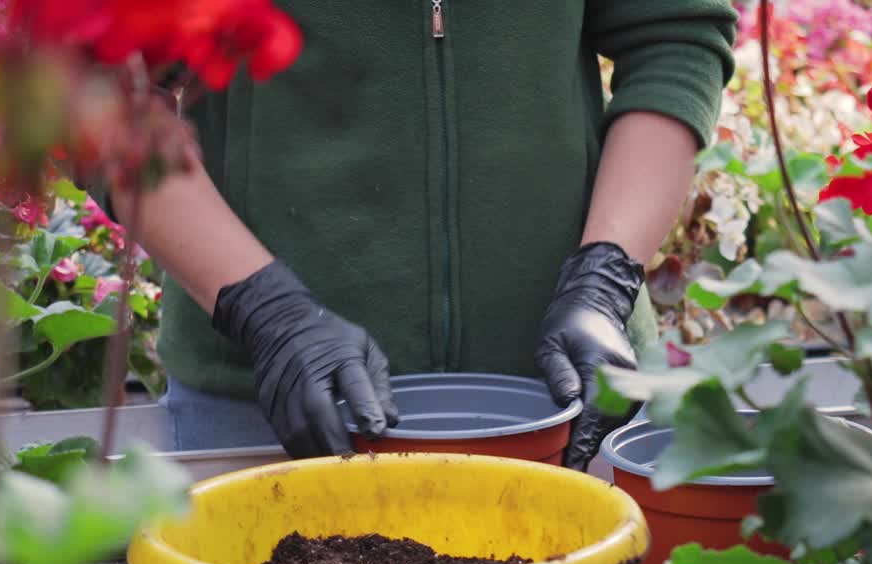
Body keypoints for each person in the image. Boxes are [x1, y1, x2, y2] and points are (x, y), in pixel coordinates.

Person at [119, 2, 737, 471]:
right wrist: (261, 307)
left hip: (565, 404)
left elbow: (674, 35)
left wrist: (605, 275)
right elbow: (96, 87)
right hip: (271, 409)